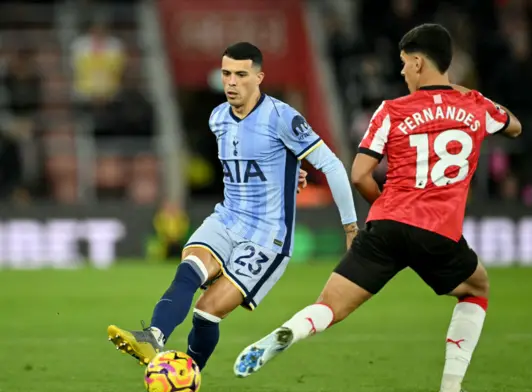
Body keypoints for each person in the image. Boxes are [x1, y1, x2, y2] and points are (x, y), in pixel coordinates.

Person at [233, 24, 522, 392]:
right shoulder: (475, 106)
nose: (402, 72)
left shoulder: (391, 110)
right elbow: (515, 127)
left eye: (404, 64)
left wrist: (387, 205)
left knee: (330, 305)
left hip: (385, 224)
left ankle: (290, 330)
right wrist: (478, 100)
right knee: (476, 288)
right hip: (438, 231)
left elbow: (358, 175)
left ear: (419, 62)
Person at [107, 42, 358, 372]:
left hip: (267, 236)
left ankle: (189, 374)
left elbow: (333, 165)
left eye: (241, 74)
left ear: (259, 77)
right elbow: (256, 162)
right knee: (188, 271)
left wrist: (351, 227)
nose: (232, 82)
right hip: (227, 218)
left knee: (206, 311)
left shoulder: (281, 117)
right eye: (226, 74)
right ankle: (152, 337)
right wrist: (286, 173)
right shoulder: (218, 117)